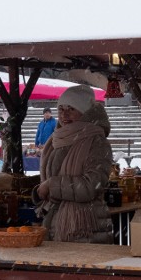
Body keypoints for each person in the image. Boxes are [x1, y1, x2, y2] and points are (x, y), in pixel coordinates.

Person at [33, 85, 113, 243]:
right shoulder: (56, 140)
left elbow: (92, 186)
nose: (64, 114)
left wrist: (52, 186)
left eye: (71, 109)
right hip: (55, 225)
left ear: (85, 113)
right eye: (61, 109)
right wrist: (40, 191)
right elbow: (51, 179)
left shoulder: (96, 141)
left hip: (85, 228)